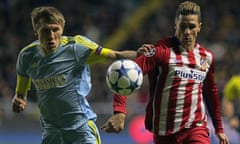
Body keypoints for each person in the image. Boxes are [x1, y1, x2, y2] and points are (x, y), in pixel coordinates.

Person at [11, 6, 149, 144]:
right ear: (36, 30)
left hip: (81, 128)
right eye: (45, 30)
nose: (51, 36)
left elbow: (116, 55)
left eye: (55, 29)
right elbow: (21, 92)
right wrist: (20, 99)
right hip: (51, 132)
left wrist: (138, 54)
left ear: (62, 29)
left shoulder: (76, 47)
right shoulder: (27, 56)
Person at [101, 1, 230, 144]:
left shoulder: (207, 57)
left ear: (199, 27)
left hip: (195, 129)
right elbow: (125, 73)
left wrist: (219, 128)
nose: (187, 32)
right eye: (183, 26)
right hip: (164, 133)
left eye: (191, 27)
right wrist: (119, 111)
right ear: (176, 25)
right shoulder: (160, 52)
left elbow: (210, 92)